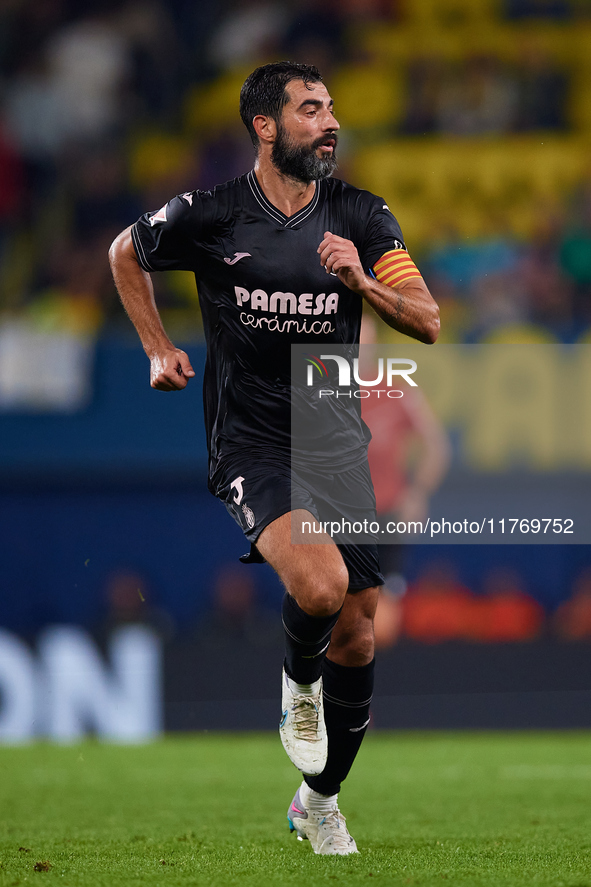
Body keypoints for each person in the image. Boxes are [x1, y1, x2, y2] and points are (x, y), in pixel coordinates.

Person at [109, 61, 439, 855]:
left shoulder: (360, 214)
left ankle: (317, 800)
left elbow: (424, 320)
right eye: (309, 109)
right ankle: (298, 682)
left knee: (359, 636)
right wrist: (157, 346)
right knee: (321, 585)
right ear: (265, 126)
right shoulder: (213, 214)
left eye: (331, 108)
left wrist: (361, 279)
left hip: (334, 438)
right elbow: (126, 250)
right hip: (250, 439)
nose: (329, 122)